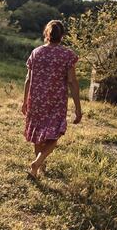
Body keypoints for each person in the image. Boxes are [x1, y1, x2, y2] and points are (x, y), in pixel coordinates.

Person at [21, 20, 82, 179]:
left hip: (36, 100)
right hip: (56, 102)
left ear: (46, 34)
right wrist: (78, 108)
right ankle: (38, 162)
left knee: (38, 133)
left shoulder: (36, 52)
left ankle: (37, 169)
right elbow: (72, 82)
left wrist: (24, 101)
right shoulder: (67, 55)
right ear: (62, 36)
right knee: (54, 135)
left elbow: (28, 79)